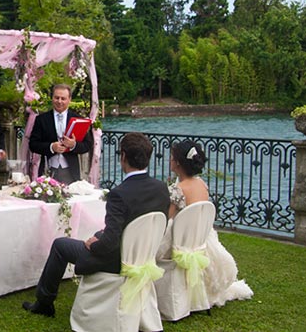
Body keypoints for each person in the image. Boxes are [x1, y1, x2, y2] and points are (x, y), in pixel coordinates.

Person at [23, 132, 170, 317]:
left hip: (116, 260)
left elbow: (109, 244)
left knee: (60, 245)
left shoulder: (119, 194)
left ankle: (44, 303)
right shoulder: (161, 188)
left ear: (123, 156)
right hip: (143, 256)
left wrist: (95, 244)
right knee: (98, 234)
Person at [157, 140, 253, 306]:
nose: (170, 161)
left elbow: (166, 219)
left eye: (172, 158)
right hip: (201, 239)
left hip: (182, 241)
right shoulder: (201, 184)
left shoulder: (178, 189)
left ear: (178, 163)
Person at [29, 83, 93, 184]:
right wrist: (51, 147)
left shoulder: (79, 119)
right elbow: (32, 144)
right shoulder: (41, 119)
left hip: (70, 171)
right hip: (47, 169)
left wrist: (73, 145)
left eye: (63, 98)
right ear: (52, 98)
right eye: (56, 98)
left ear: (69, 99)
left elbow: (87, 145)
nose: (59, 101)